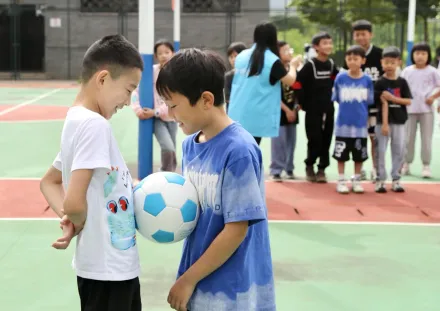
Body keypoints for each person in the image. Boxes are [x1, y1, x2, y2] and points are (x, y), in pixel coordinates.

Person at [156, 48, 276, 311]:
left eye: (173, 105)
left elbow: (236, 230)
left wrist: (187, 280)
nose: (170, 113)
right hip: (201, 278)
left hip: (233, 289)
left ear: (206, 100)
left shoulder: (239, 150)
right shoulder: (190, 145)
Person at [39, 34, 143, 311]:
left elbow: (49, 182)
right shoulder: (95, 125)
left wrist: (72, 221)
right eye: (129, 89)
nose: (127, 101)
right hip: (109, 271)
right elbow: (74, 203)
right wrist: (75, 217)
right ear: (103, 79)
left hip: (103, 267)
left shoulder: (75, 120)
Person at [228, 21, 301, 145]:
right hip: (256, 116)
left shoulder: (242, 56)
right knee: (250, 152)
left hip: (236, 113)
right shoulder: (271, 60)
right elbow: (290, 80)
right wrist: (293, 66)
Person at [294, 32, 338, 183]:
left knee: (326, 139)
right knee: (314, 139)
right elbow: (297, 84)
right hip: (313, 110)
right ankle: (310, 165)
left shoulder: (332, 65)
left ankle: (322, 169)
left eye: (330, 43)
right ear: (316, 47)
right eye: (325, 43)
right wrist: (301, 103)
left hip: (329, 108)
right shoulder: (310, 65)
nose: (329, 46)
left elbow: (337, 82)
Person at [331, 46, 374, 194]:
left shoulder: (367, 80)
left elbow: (369, 100)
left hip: (361, 126)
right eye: (349, 59)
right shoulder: (340, 78)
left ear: (363, 60)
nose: (352, 62)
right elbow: (336, 98)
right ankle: (341, 180)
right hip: (342, 125)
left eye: (356, 59)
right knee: (341, 155)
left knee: (359, 156)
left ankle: (356, 180)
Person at [132, 39, 177, 173]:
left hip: (172, 117)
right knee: (168, 147)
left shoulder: (176, 73)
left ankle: (170, 175)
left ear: (173, 53)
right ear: (156, 56)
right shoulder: (151, 72)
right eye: (160, 53)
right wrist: (138, 109)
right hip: (157, 119)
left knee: (172, 150)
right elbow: (136, 90)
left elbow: (174, 98)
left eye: (167, 52)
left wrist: (155, 111)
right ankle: (165, 173)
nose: (163, 55)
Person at [347, 19, 384, 181]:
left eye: (364, 34)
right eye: (357, 34)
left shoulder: (380, 54)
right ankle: (359, 170)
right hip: (356, 107)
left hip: (374, 106)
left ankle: (376, 169)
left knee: (374, 138)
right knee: (358, 139)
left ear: (371, 35)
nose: (361, 37)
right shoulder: (351, 55)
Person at [374, 47, 412, 193]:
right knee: (380, 151)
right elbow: (383, 104)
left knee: (399, 150)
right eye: (386, 62)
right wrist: (384, 124)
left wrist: (394, 98)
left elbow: (408, 101)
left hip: (399, 122)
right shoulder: (379, 83)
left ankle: (396, 179)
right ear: (381, 63)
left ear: (398, 62)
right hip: (382, 122)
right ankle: (380, 180)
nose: (389, 65)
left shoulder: (402, 82)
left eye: (392, 62)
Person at [400, 42, 440, 178]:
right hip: (409, 109)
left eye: (423, 53)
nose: (420, 56)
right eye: (417, 53)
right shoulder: (407, 71)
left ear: (428, 55)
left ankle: (426, 166)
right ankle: (406, 164)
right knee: (408, 139)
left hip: (426, 110)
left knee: (426, 139)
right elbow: (401, 87)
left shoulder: (433, 71)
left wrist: (433, 97)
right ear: (412, 55)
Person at [270, 40, 299, 181]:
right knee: (278, 142)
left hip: (293, 112)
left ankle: (289, 168)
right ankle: (276, 169)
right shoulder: (275, 70)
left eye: (290, 50)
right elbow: (272, 95)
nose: (289, 53)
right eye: (285, 51)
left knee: (291, 142)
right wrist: (287, 110)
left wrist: (294, 109)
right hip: (279, 113)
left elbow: (299, 91)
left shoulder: (294, 70)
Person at [224, 41, 247, 111]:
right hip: (234, 112)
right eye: (231, 57)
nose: (233, 59)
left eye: (236, 56)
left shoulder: (251, 75)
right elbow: (227, 98)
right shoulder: (228, 76)